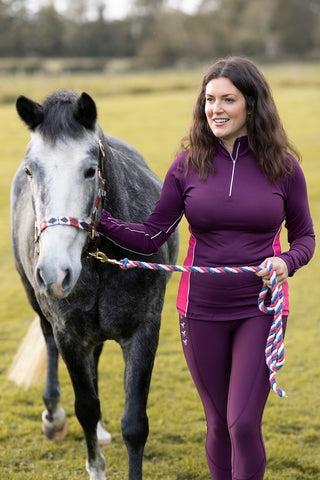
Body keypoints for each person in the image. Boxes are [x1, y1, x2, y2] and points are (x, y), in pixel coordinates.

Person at [97, 56, 315, 480]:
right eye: (209, 99)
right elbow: (151, 235)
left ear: (251, 104)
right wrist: (99, 219)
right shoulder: (187, 164)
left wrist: (286, 261)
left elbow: (305, 237)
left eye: (227, 100)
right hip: (200, 310)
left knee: (243, 423)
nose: (215, 109)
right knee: (217, 423)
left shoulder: (284, 167)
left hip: (262, 308)